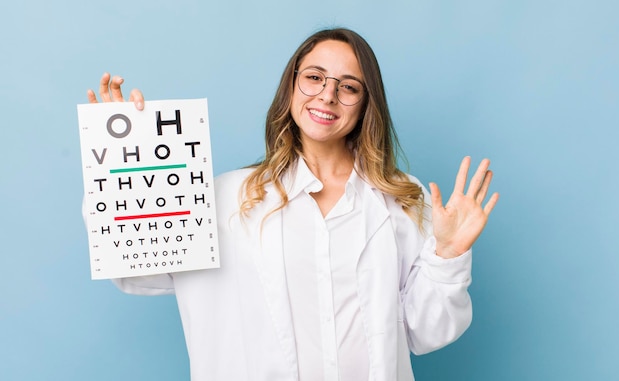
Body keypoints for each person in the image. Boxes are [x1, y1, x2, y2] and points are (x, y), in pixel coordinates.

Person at [86, 28, 498, 381]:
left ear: (366, 103)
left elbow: (425, 332)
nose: (328, 95)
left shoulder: (403, 200)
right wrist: (129, 167)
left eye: (348, 86)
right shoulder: (222, 198)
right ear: (291, 86)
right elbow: (136, 271)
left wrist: (448, 253)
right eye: (315, 77)